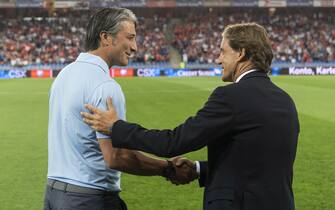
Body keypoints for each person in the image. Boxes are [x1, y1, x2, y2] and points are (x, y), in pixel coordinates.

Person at [81, 23, 300, 210]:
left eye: (222, 51)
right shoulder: (286, 100)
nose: (217, 59)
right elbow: (258, 162)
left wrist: (116, 127)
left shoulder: (231, 96)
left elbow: (174, 142)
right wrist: (198, 169)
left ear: (241, 53)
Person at [44, 8, 197, 210]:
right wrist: (167, 168)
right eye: (130, 38)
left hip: (53, 194)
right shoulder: (105, 86)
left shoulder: (64, 74)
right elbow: (116, 157)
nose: (134, 47)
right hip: (88, 198)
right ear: (106, 38)